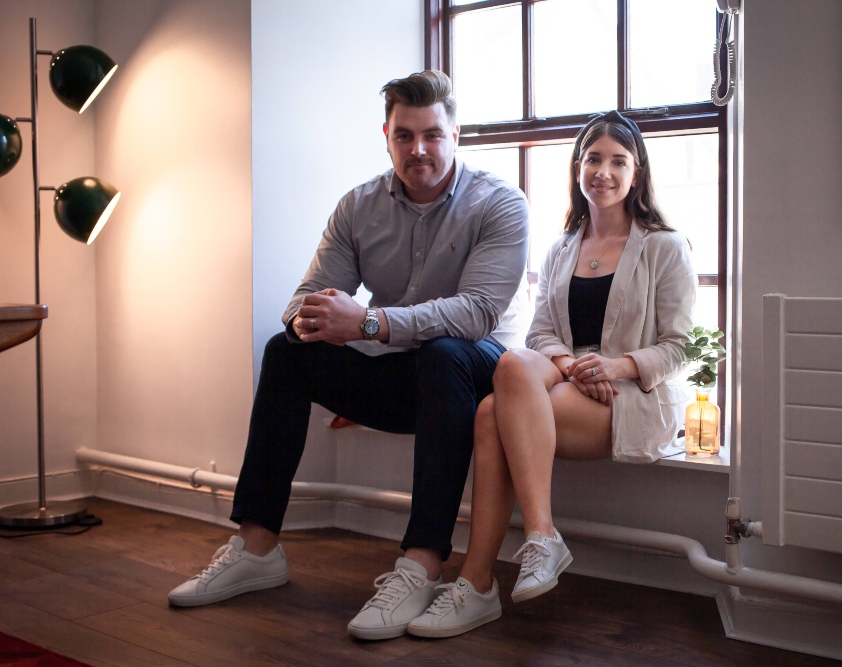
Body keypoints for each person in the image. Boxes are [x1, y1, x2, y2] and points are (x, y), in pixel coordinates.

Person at [166, 70, 530, 641]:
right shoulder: (357, 207)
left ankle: (422, 563)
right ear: (386, 135)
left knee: (444, 350)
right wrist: (312, 319)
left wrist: (366, 321)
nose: (419, 150)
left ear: (456, 134)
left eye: (432, 135)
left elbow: (477, 312)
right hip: (400, 377)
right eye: (404, 136)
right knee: (286, 351)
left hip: (474, 379)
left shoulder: (500, 204)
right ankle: (258, 549)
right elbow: (300, 299)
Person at [405, 110, 697, 638]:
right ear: (577, 167)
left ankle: (479, 583)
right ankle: (537, 539)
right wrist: (573, 366)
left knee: (494, 412)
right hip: (572, 383)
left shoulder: (664, 246)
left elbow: (680, 349)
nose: (602, 172)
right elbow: (540, 334)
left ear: (638, 174)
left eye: (617, 161)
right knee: (511, 368)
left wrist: (615, 365)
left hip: (629, 395)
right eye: (592, 159)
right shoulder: (563, 246)